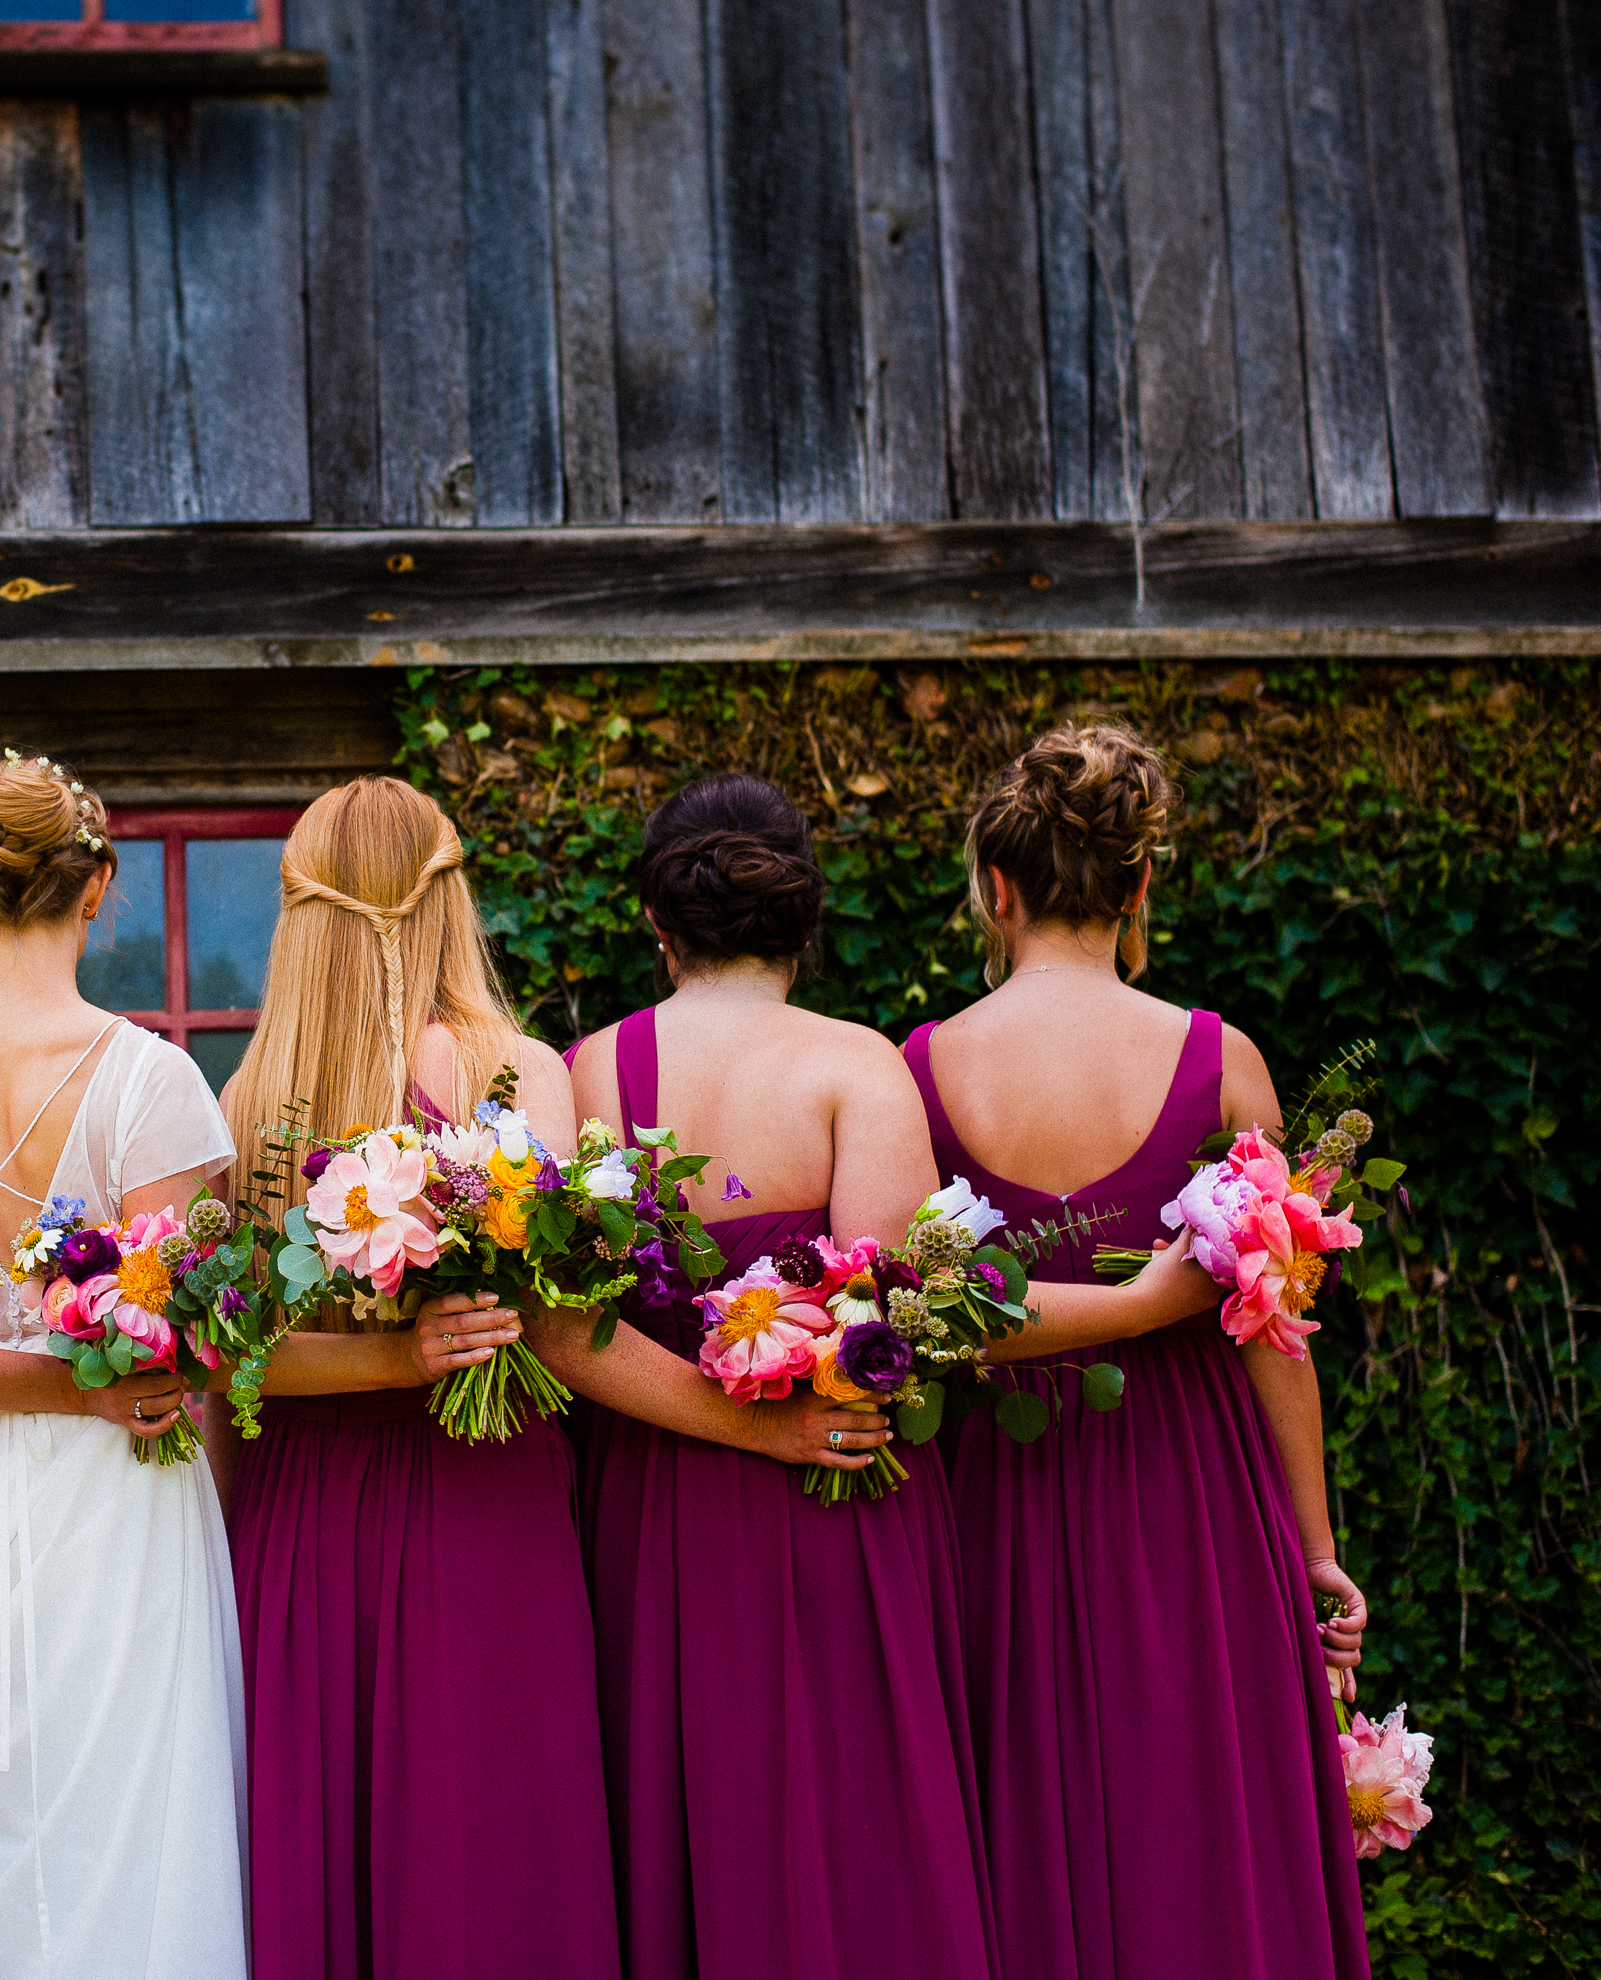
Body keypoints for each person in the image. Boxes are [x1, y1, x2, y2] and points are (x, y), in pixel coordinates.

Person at [549, 771, 1160, 1980]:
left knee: (678, 1822)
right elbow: (891, 1311)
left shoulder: (586, 1075)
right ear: (804, 921)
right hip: (834, 1497)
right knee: (856, 1835)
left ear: (656, 926)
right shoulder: (857, 1066)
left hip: (650, 1513)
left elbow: (568, 1335)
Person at [906, 723, 1371, 1978]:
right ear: (1141, 883)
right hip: (1194, 1498)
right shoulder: (1224, 1064)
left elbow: (924, 1314)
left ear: (995, 889)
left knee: (1012, 1818)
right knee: (1196, 1825)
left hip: (992, 1494)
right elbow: (1280, 1333)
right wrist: (1316, 1553)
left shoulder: (918, 1073)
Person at [210, 775, 622, 1980]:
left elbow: (233, 1355)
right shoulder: (516, 1070)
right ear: (449, 901)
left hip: (303, 1520)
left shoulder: (252, 1101)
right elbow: (555, 1321)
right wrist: (415, 1351)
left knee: (327, 1836)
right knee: (489, 1853)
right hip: (477, 1502)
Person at [0, 753, 248, 1980]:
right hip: (116, 1483)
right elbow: (191, 1342)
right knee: (134, 1818)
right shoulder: (154, 1082)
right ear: (101, 889)